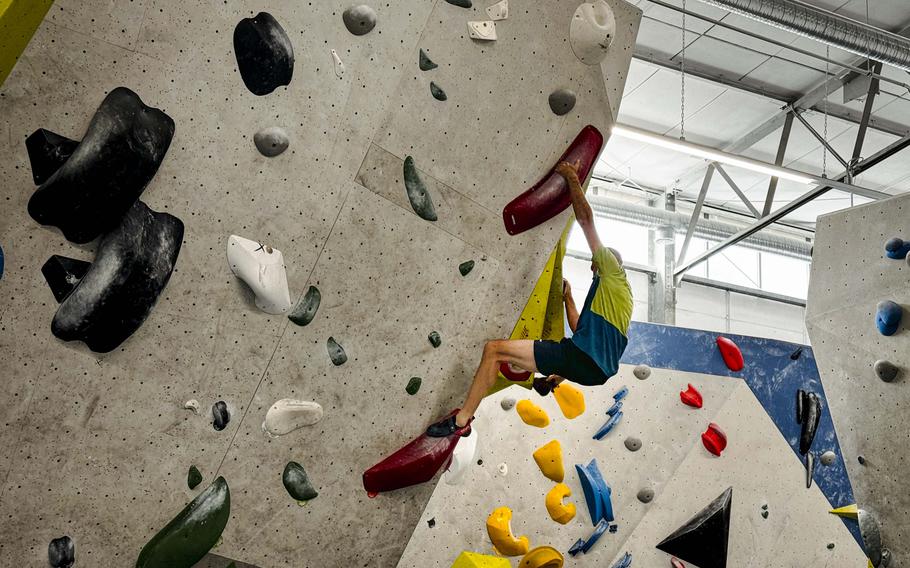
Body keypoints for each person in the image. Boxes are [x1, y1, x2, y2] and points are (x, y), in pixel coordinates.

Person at [426, 159, 634, 437]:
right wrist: (568, 298)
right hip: (595, 371)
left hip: (583, 359)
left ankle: (461, 422)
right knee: (556, 354)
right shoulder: (624, 299)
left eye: (595, 265)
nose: (592, 267)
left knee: (494, 350)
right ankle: (551, 379)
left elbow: (586, 220)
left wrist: (572, 177)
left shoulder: (610, 268)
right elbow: (580, 331)